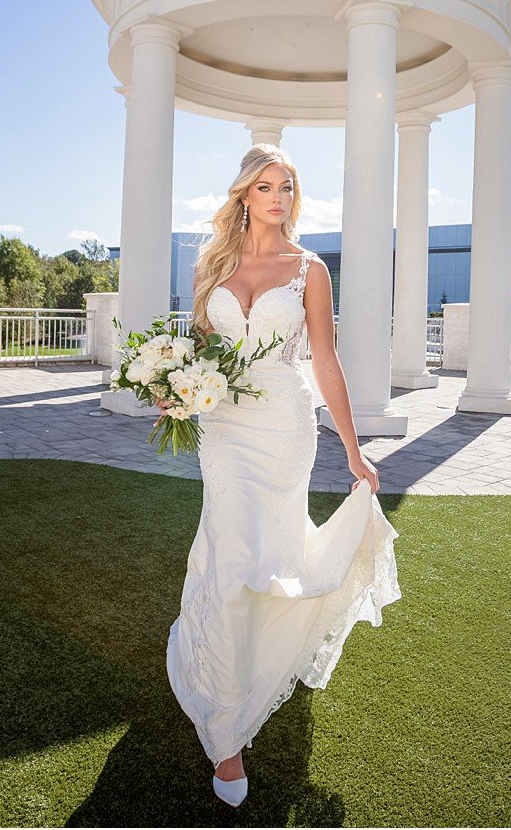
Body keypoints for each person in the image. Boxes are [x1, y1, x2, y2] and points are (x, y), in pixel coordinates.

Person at [158, 144, 402, 808]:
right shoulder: (214, 263)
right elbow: (198, 345)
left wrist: (353, 449)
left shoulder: (311, 270)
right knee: (232, 551)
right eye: (265, 186)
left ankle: (248, 671)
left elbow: (325, 361)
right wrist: (173, 386)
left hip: (286, 427)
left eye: (287, 186)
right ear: (243, 193)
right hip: (224, 428)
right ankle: (228, 734)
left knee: (267, 555)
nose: (277, 197)